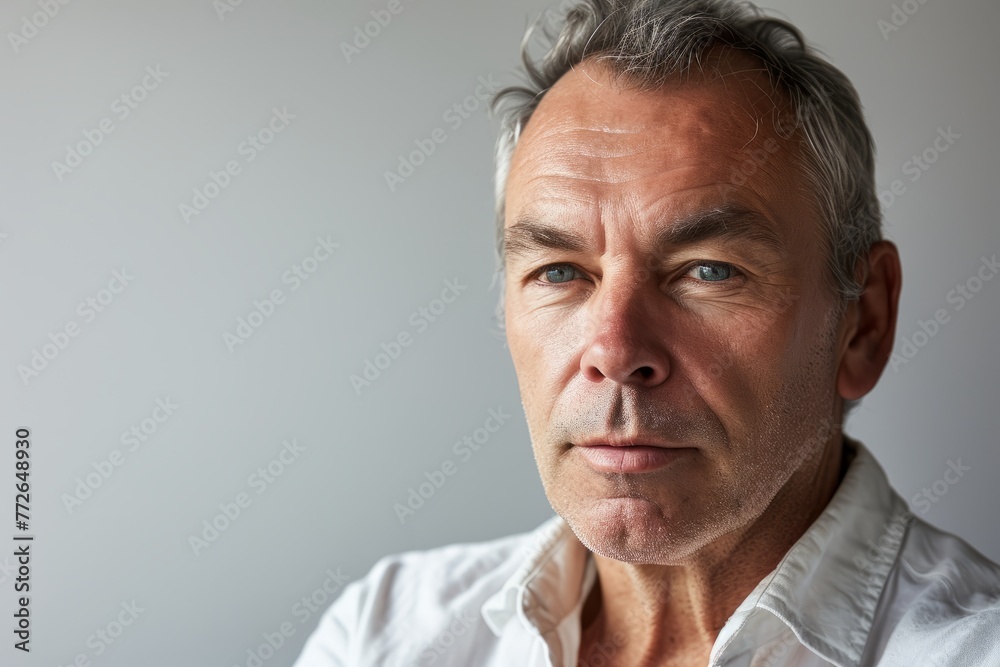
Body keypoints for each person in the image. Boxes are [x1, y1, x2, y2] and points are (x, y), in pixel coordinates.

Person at [293, 1, 1000, 664]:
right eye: (561, 271)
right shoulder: (384, 634)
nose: (615, 350)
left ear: (863, 323)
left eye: (710, 271)